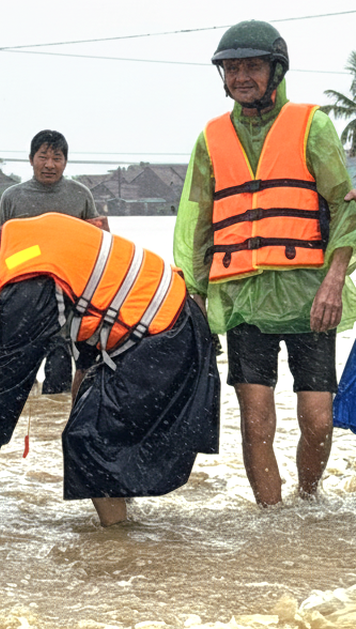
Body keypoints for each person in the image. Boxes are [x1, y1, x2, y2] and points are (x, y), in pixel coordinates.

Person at [0, 214, 220, 526]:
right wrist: (88, 370)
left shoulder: (23, 286)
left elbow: (9, 383)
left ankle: (117, 542)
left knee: (87, 438)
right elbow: (95, 291)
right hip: (171, 319)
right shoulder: (19, 239)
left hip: (165, 335)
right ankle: (124, 515)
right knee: (96, 427)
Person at [173, 20, 356, 507]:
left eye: (251, 66)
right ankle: (272, 522)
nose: (240, 77)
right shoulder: (211, 137)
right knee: (256, 419)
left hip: (308, 296)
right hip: (242, 299)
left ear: (275, 69)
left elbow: (346, 205)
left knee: (317, 418)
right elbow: (197, 222)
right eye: (231, 69)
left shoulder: (311, 124)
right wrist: (195, 292)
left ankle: (310, 502)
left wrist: (334, 281)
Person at [0, 130, 104, 395]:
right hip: (24, 290)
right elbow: (2, 248)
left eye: (56, 158)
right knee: (18, 363)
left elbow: (98, 244)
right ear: (31, 159)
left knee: (60, 360)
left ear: (65, 162)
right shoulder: (12, 197)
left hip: (69, 292)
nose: (49, 164)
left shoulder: (80, 195)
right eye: (43, 157)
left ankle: (55, 419)